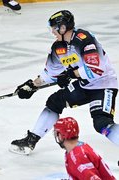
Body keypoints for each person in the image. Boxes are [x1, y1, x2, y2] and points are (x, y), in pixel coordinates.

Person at [9, 10, 119, 155]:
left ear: (62, 27)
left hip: (104, 84)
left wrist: (70, 74)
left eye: (54, 28)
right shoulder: (58, 47)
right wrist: (32, 85)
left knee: (102, 123)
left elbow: (95, 69)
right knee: (54, 102)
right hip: (84, 85)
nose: (53, 32)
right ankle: (31, 140)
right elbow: (51, 73)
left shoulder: (84, 39)